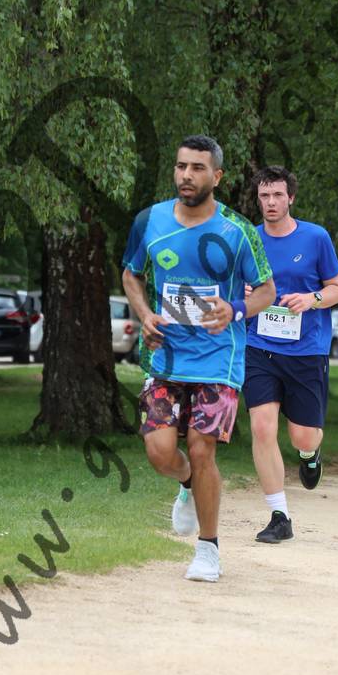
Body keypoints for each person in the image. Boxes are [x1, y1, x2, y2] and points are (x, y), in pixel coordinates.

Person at [121, 135, 275, 582]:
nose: (186, 175)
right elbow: (131, 274)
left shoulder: (238, 231)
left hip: (219, 358)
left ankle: (208, 550)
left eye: (197, 168)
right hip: (165, 357)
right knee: (159, 452)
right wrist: (145, 314)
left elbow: (267, 290)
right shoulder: (149, 221)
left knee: (201, 448)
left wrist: (236, 309)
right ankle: (186, 483)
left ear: (217, 176)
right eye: (181, 166)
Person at [242, 166, 338, 544]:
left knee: (303, 436)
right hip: (259, 347)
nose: (270, 202)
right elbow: (236, 288)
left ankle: (309, 455)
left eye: (277, 195)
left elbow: (337, 288)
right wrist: (244, 291)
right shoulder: (248, 240)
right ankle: (279, 515)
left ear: (291, 198)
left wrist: (311, 298)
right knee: (262, 427)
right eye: (264, 196)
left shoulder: (316, 238)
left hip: (306, 350)